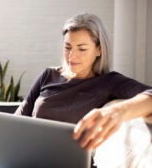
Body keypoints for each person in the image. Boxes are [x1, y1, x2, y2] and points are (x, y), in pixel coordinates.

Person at [15, 13, 152, 153]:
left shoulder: (109, 82)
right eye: (68, 47)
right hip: (30, 157)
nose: (72, 56)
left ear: (99, 49)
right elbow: (17, 121)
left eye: (82, 48)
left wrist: (120, 111)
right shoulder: (49, 75)